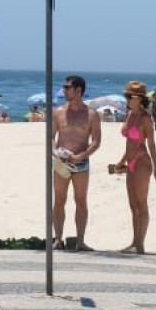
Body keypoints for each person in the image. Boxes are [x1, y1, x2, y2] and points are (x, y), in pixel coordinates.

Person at [50, 75, 103, 253]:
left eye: (67, 87)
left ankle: (80, 240)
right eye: (64, 87)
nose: (64, 90)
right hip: (61, 161)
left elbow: (96, 141)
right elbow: (51, 137)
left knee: (80, 201)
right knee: (59, 200)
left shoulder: (91, 115)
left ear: (78, 90)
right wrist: (55, 152)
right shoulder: (58, 112)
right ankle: (57, 239)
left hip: (81, 162)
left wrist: (82, 155)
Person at [109, 80, 156, 254]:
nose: (129, 99)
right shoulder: (130, 114)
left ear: (139, 99)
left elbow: (151, 143)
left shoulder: (145, 118)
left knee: (142, 204)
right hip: (130, 161)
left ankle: (140, 244)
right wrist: (121, 161)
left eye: (132, 96)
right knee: (133, 206)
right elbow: (129, 143)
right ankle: (134, 241)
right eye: (128, 96)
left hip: (141, 161)